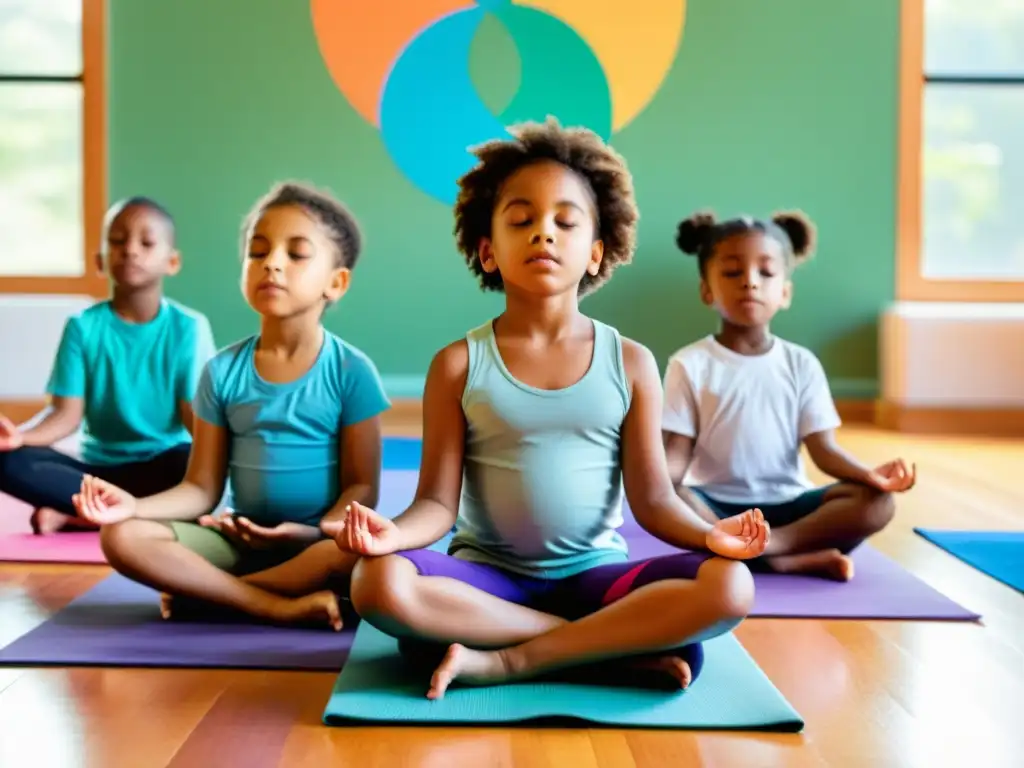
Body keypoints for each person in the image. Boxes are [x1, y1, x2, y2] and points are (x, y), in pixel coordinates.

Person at [319, 118, 768, 700]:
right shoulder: (457, 364)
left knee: (729, 587)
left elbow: (655, 502)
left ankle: (511, 659)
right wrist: (391, 534)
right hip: (487, 582)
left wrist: (713, 536)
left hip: (597, 579)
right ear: (487, 250)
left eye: (565, 221)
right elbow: (434, 503)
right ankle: (604, 651)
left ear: (596, 252)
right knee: (377, 583)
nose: (544, 234)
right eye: (521, 220)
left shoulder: (631, 363)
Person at [71, 181, 390, 629]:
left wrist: (316, 530)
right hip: (238, 542)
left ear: (336, 282)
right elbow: (201, 488)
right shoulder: (220, 372)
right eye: (258, 252)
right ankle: (270, 603)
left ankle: (212, 596)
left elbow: (361, 490)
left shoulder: (352, 371)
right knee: (122, 537)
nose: (272, 264)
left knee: (357, 557)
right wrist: (132, 506)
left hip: (315, 543)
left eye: (295, 254)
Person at [662, 210, 916, 582]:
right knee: (672, 496)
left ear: (784, 292)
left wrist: (870, 476)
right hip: (716, 509)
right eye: (733, 272)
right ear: (707, 290)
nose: (750, 282)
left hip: (791, 507)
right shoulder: (690, 363)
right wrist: (651, 482)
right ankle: (783, 560)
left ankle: (770, 549)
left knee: (876, 503)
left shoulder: (801, 364)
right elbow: (675, 459)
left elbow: (825, 451)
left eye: (765, 273)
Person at [0, 197, 215, 535]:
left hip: (162, 466)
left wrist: (228, 461)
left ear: (172, 261)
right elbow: (64, 416)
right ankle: (111, 511)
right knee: (9, 460)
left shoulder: (189, 327)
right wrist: (19, 437)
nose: (130, 250)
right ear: (101, 261)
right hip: (93, 474)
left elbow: (195, 418)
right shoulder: (82, 327)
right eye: (118, 241)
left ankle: (78, 516)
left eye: (146, 242)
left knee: (195, 462)